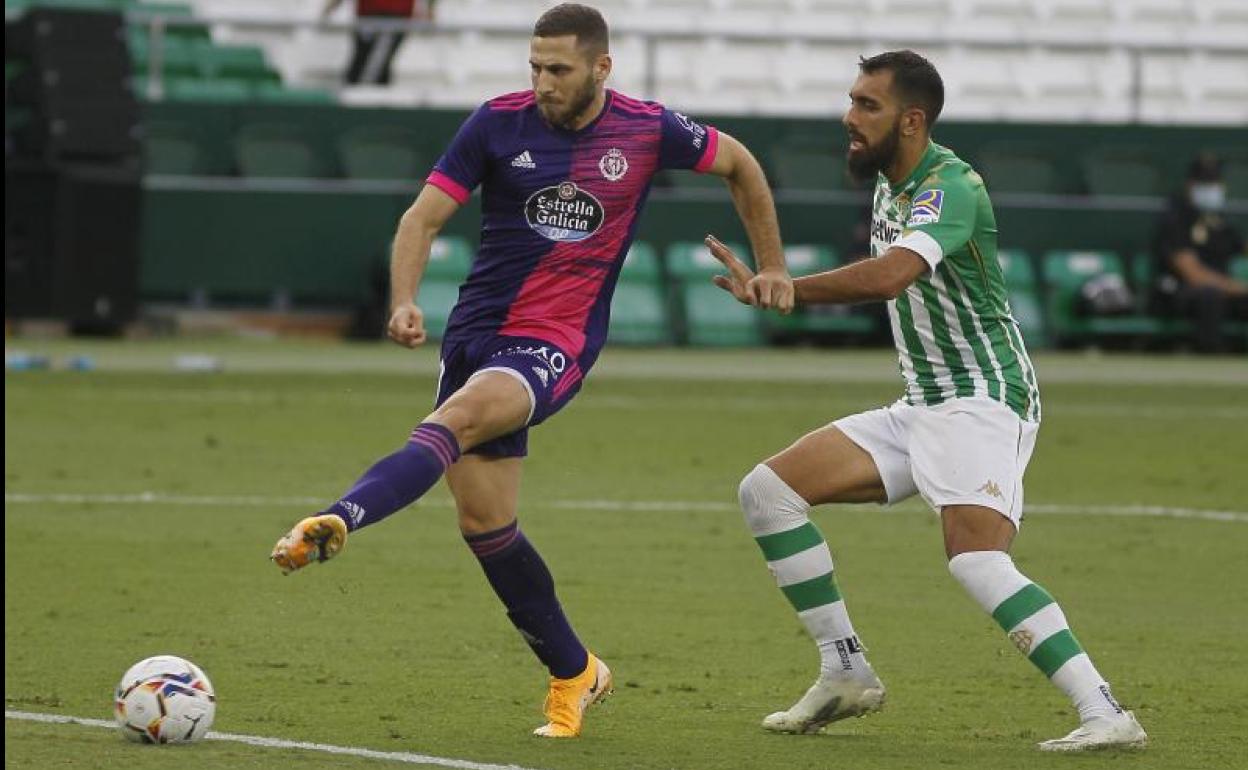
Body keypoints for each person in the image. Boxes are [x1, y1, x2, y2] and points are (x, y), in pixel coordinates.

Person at [270, 2, 793, 739]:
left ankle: (339, 517)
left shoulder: (649, 129)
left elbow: (740, 164)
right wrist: (405, 300)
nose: (544, 82)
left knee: (454, 422)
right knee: (485, 522)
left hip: (555, 342)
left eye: (559, 69)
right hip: (473, 337)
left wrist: (773, 263)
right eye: (536, 67)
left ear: (601, 67)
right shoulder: (496, 123)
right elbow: (421, 218)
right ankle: (576, 671)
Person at [707, 50, 1147, 752]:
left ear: (911, 120)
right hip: (923, 403)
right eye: (851, 101)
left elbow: (891, 276)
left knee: (977, 560)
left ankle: (1105, 712)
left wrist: (787, 286)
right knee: (768, 492)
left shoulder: (950, 187)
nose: (849, 118)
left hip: (983, 397)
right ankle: (845, 671)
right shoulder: (891, 184)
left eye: (867, 106)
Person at [1151, 153, 1248, 354]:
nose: (1212, 188)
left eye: (1215, 182)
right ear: (1190, 184)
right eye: (1206, 183)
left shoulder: (1219, 220)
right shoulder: (1176, 217)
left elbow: (1241, 246)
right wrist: (1237, 287)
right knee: (1209, 296)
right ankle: (1211, 355)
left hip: (1223, 291)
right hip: (1179, 292)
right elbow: (1194, 275)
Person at [322, 0, 435, 85]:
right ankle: (354, 95)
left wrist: (429, 10)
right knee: (361, 62)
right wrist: (332, 6)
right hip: (369, 15)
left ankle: (377, 99)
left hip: (397, 15)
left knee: (380, 66)